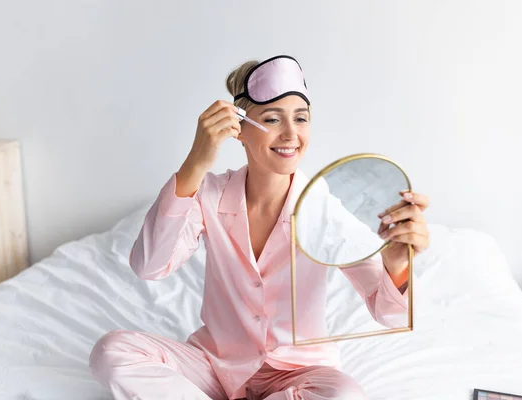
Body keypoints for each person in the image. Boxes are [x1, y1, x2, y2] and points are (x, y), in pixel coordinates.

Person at [89, 55, 430, 400]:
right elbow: (149, 266)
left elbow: (390, 314)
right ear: (239, 128)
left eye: (301, 119)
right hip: (215, 366)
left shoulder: (324, 208)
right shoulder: (210, 193)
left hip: (298, 375)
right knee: (112, 351)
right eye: (271, 118)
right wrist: (195, 162)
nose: (291, 134)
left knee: (345, 395)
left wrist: (398, 263)